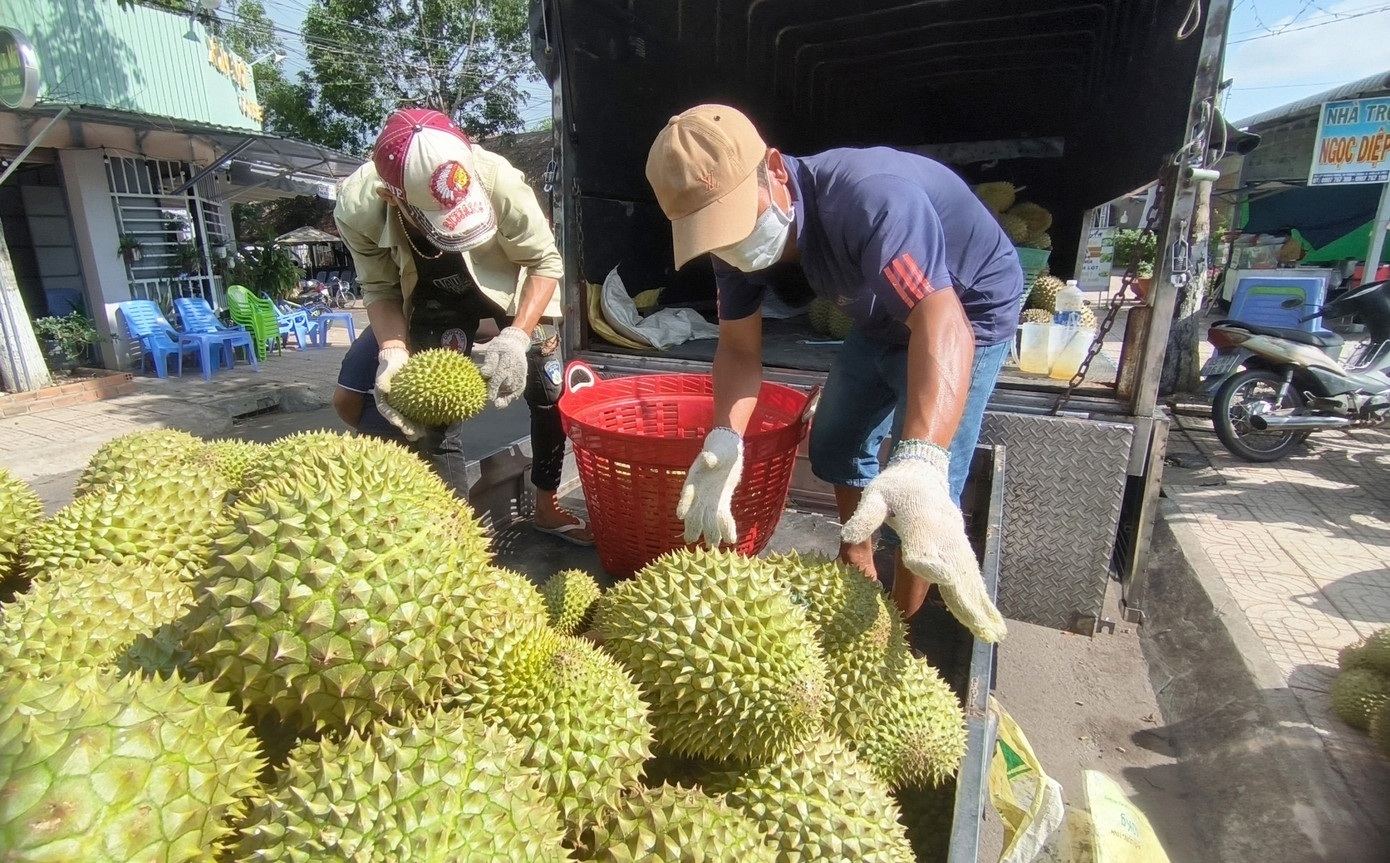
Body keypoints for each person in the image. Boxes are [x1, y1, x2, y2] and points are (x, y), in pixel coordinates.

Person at [645, 104, 1021, 642]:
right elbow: (737, 349)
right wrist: (725, 437)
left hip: (968, 308)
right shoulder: (731, 249)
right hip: (878, 310)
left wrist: (920, 458)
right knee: (836, 440)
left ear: (774, 169)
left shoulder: (870, 201)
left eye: (735, 221)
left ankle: (896, 633)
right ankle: (856, 546)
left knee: (922, 499)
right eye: (714, 234)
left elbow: (942, 321)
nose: (731, 247)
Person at [333, 107, 592, 545]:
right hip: (434, 294)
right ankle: (458, 538)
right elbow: (379, 289)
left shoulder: (499, 179)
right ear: (393, 197)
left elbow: (545, 262)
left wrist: (516, 335)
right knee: (434, 415)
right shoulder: (359, 209)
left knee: (549, 395)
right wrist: (393, 352)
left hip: (515, 287)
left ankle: (545, 506)